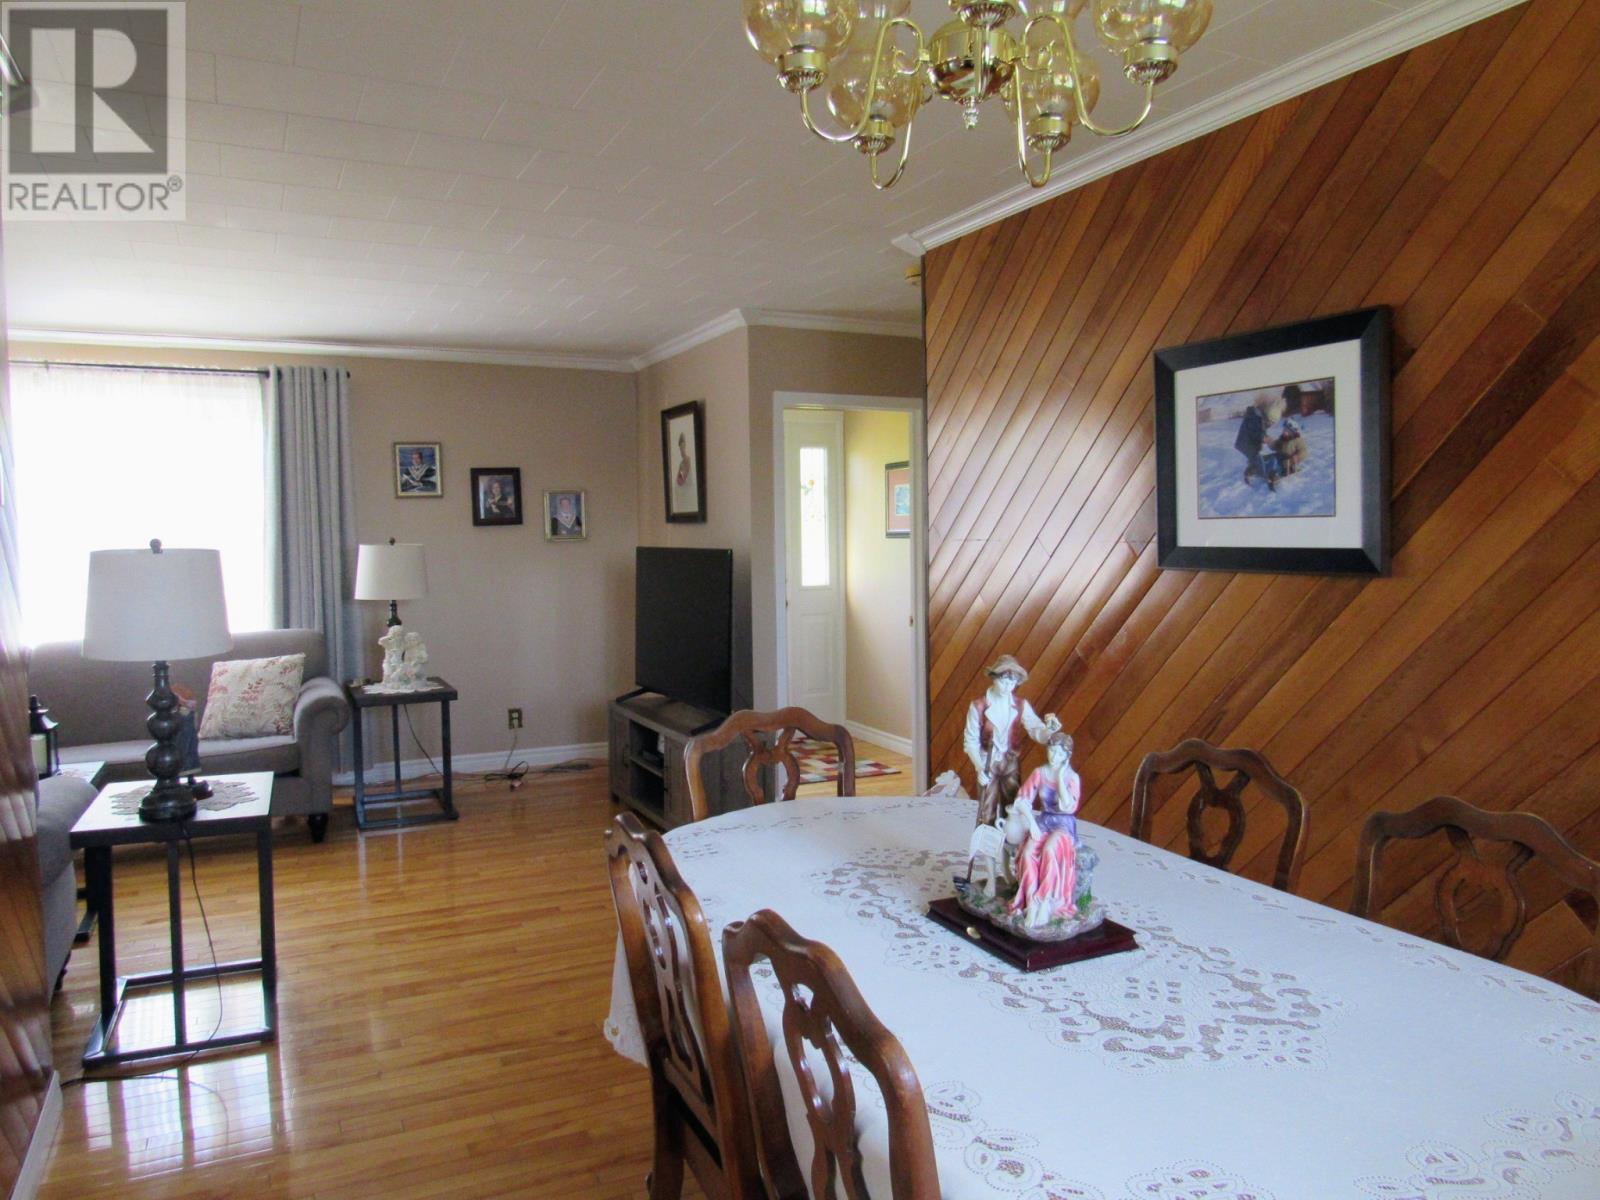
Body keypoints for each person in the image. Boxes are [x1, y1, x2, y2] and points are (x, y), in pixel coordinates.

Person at [962, 655, 1060, 826]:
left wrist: (1049, 730)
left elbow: (1035, 728)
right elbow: (970, 741)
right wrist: (979, 767)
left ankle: (1011, 844)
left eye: (1012, 682)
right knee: (987, 809)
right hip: (987, 762)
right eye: (1004, 680)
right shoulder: (979, 706)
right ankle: (986, 845)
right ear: (994, 677)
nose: (1008, 685)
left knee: (1014, 806)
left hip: (1010, 763)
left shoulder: (1020, 704)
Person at [1009, 731, 1082, 925]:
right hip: (1044, 821)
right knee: (1028, 853)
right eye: (1051, 751)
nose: (1053, 756)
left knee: (1050, 850)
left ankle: (1046, 902)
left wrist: (1059, 778)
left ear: (1067, 756)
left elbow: (1069, 806)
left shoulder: (1072, 778)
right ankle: (1032, 902)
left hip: (1064, 825)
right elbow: (1022, 800)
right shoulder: (1039, 773)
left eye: (1058, 753)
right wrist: (1032, 824)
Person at [1234, 392, 1287, 492]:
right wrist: (1266, 439)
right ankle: (1268, 476)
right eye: (1270, 422)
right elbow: (1257, 432)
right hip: (1246, 443)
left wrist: (1266, 439)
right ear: (1267, 416)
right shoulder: (1255, 417)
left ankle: (1252, 470)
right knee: (1259, 460)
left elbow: (1260, 432)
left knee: (1256, 458)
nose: (1270, 425)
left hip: (1247, 444)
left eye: (1272, 423)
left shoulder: (1258, 416)